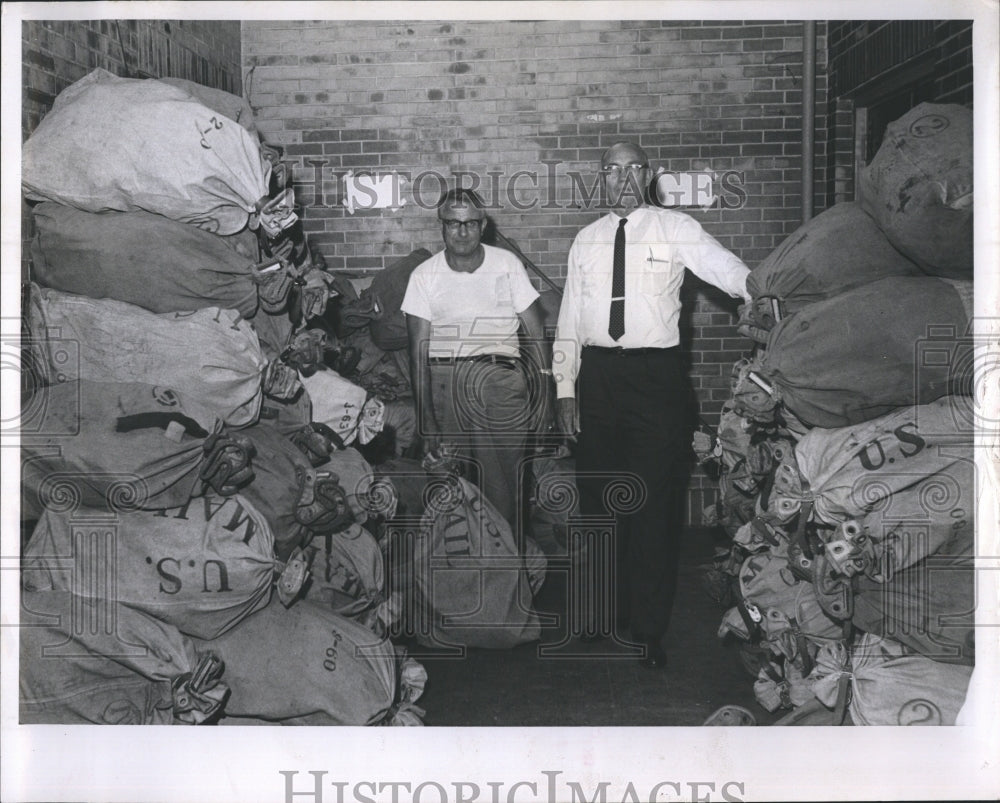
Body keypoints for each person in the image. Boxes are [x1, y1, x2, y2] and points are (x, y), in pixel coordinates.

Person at [553, 141, 752, 669]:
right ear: (600, 177)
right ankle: (601, 614)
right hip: (598, 378)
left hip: (657, 381)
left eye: (632, 168)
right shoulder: (586, 240)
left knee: (653, 508)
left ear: (648, 175)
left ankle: (647, 630)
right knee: (599, 502)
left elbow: (722, 266)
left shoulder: (675, 228)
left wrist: (758, 289)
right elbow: (569, 320)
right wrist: (566, 389)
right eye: (611, 170)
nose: (622, 178)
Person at [401, 188, 552, 532]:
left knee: (505, 493)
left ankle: (507, 562)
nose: (462, 231)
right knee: (448, 489)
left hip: (499, 384)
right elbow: (417, 354)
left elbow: (536, 332)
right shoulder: (424, 276)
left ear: (483, 225)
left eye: (470, 223)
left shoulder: (507, 264)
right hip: (445, 385)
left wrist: (545, 395)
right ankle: (458, 564)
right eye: (453, 223)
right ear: (441, 225)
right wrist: (426, 422)